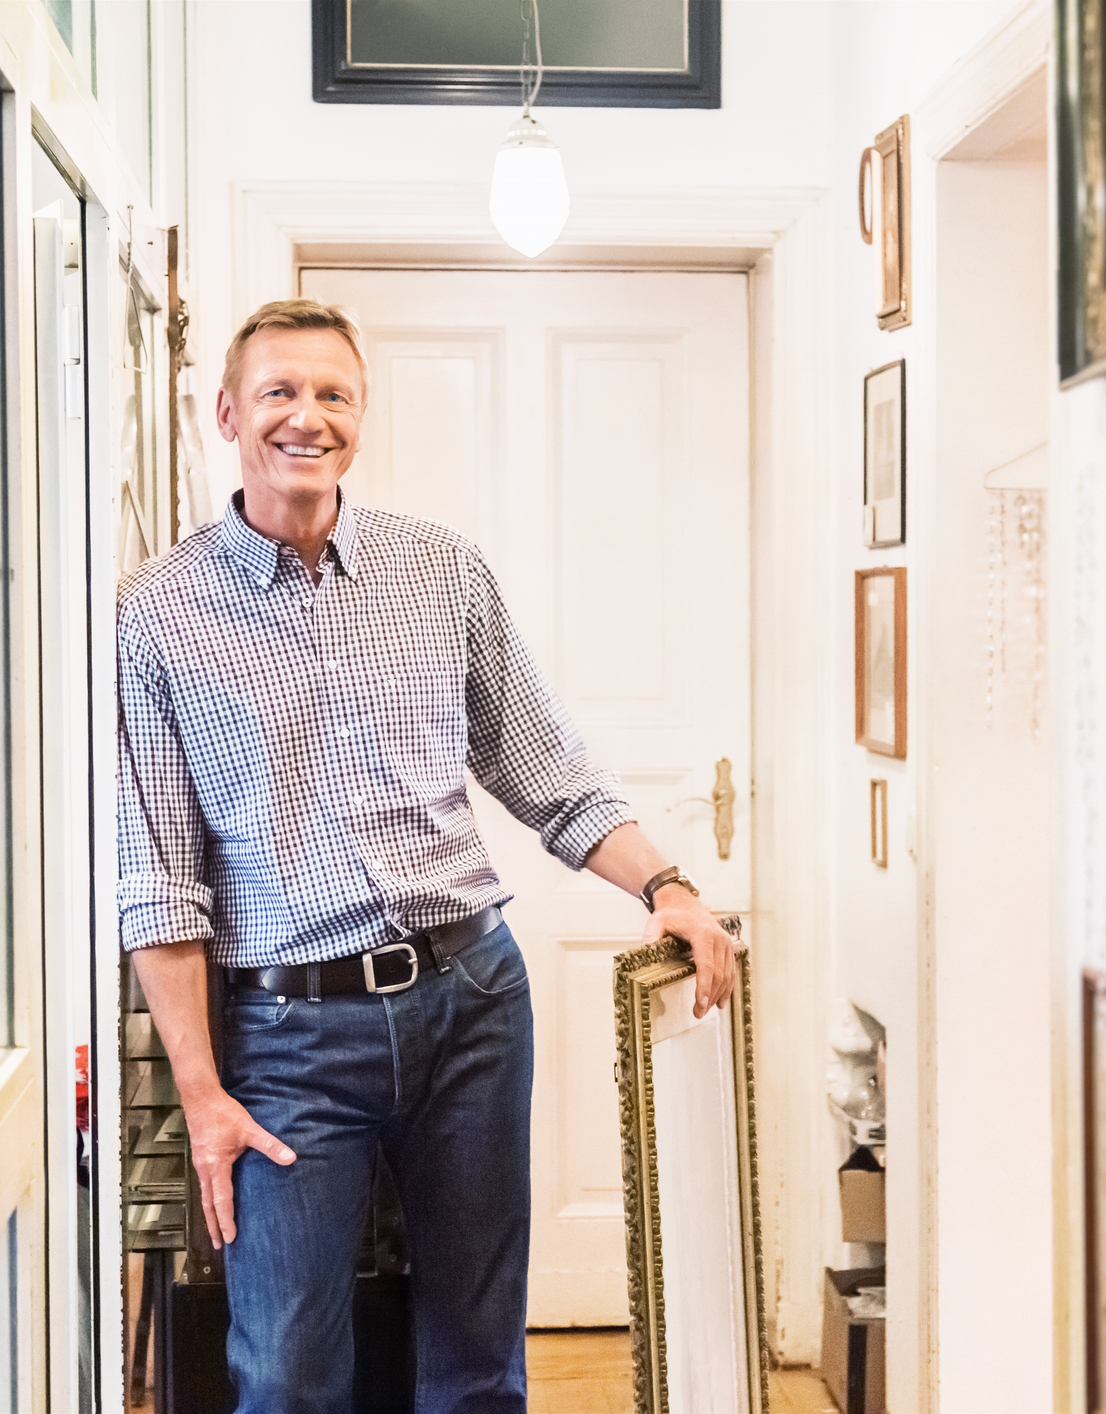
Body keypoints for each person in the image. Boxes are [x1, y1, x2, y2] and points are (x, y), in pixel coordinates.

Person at [117, 298, 738, 1413]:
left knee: (478, 1362)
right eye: (279, 392)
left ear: (359, 415)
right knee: (291, 1373)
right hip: (286, 1039)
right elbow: (159, 876)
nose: (307, 416)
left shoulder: (441, 571)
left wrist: (668, 884)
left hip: (472, 1006)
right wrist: (201, 1089)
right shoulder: (154, 616)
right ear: (227, 414)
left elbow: (545, 766)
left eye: (333, 394)